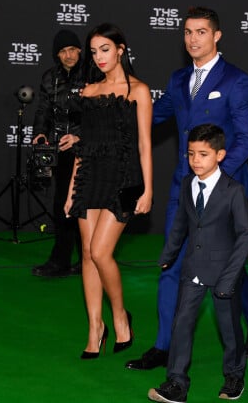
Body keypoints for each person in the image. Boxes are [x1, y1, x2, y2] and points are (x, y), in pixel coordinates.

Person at [126, 6, 248, 371]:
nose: (193, 39)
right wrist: (107, 120)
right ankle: (163, 345)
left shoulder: (237, 80)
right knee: (173, 263)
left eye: (201, 32)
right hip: (182, 188)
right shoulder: (177, 80)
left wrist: (215, 176)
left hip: (225, 190)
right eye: (188, 32)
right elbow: (151, 117)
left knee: (225, 266)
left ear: (217, 35)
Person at [64, 23, 153, 359]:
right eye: (94, 51)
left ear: (121, 49)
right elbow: (83, 146)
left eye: (105, 49)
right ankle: (94, 328)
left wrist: (147, 189)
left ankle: (119, 315)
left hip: (124, 178)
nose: (99, 57)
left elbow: (145, 145)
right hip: (90, 176)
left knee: (101, 253)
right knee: (86, 254)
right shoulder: (88, 93)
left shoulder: (139, 90)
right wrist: (72, 189)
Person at [148, 124, 248, 403]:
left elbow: (245, 235)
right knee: (181, 324)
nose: (196, 160)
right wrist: (168, 256)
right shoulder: (186, 185)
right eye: (191, 154)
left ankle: (234, 375)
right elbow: (181, 225)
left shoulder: (233, 190)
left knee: (229, 328)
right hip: (192, 269)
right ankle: (176, 383)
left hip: (224, 273)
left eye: (203, 154)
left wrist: (230, 277)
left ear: (220, 155)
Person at [31, 29, 86, 278]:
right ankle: (61, 260)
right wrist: (40, 133)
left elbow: (98, 114)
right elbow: (43, 110)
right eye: (63, 51)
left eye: (72, 50)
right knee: (62, 206)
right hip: (61, 150)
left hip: (86, 150)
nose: (68, 55)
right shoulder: (49, 78)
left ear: (80, 51)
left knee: (84, 208)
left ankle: (88, 261)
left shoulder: (92, 75)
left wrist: (80, 137)